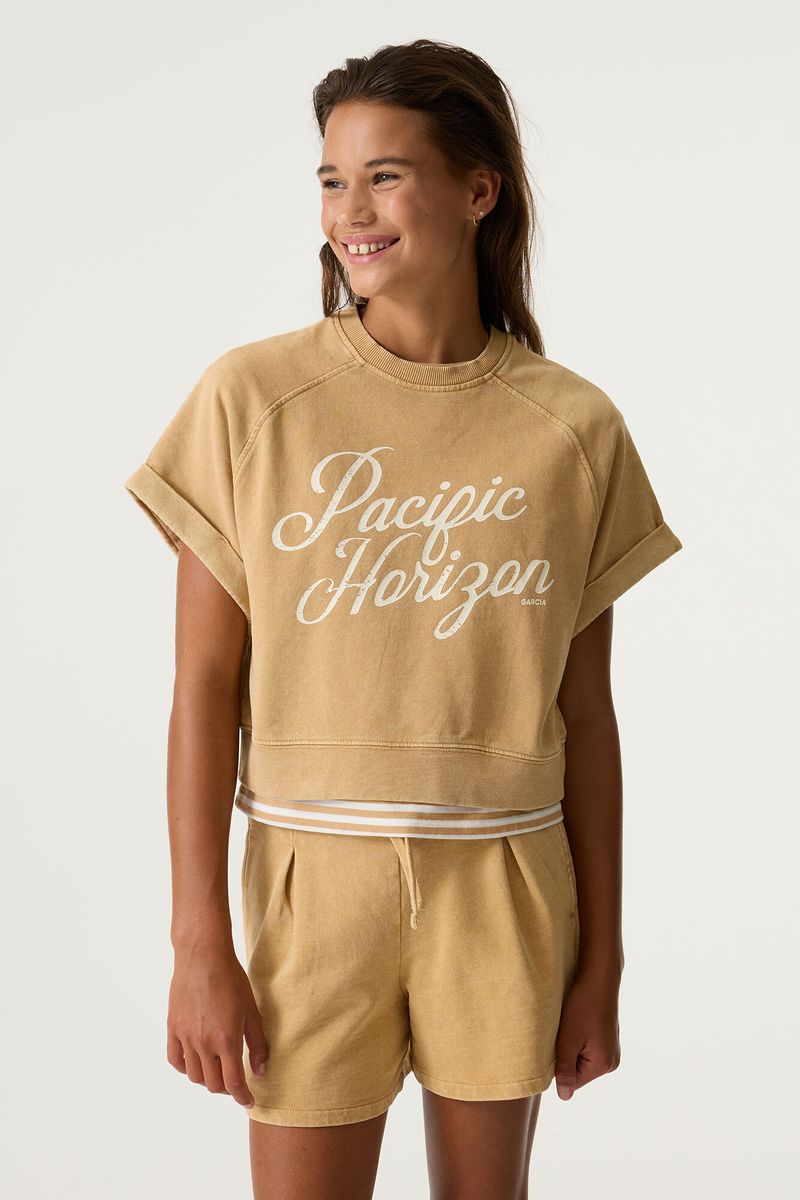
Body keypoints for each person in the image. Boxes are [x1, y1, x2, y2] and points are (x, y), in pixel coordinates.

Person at [124, 37, 683, 1200]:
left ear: (479, 190)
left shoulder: (572, 428)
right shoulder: (252, 400)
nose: (350, 211)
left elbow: (586, 715)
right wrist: (196, 944)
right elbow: (201, 690)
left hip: (507, 883)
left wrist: (603, 963)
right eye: (332, 180)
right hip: (310, 885)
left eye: (384, 176)